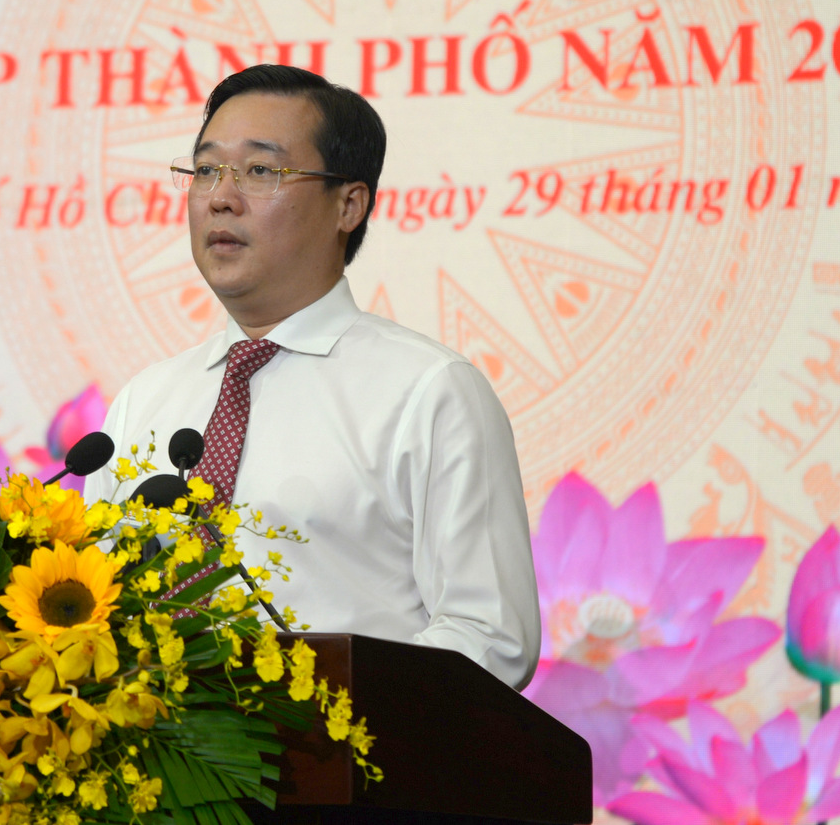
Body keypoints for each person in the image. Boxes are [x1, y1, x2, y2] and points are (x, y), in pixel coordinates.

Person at [82, 65, 541, 688]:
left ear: (348, 205)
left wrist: (318, 710)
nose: (220, 197)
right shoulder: (146, 400)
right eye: (207, 169)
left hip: (345, 744)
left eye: (260, 171)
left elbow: (490, 635)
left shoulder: (430, 391)